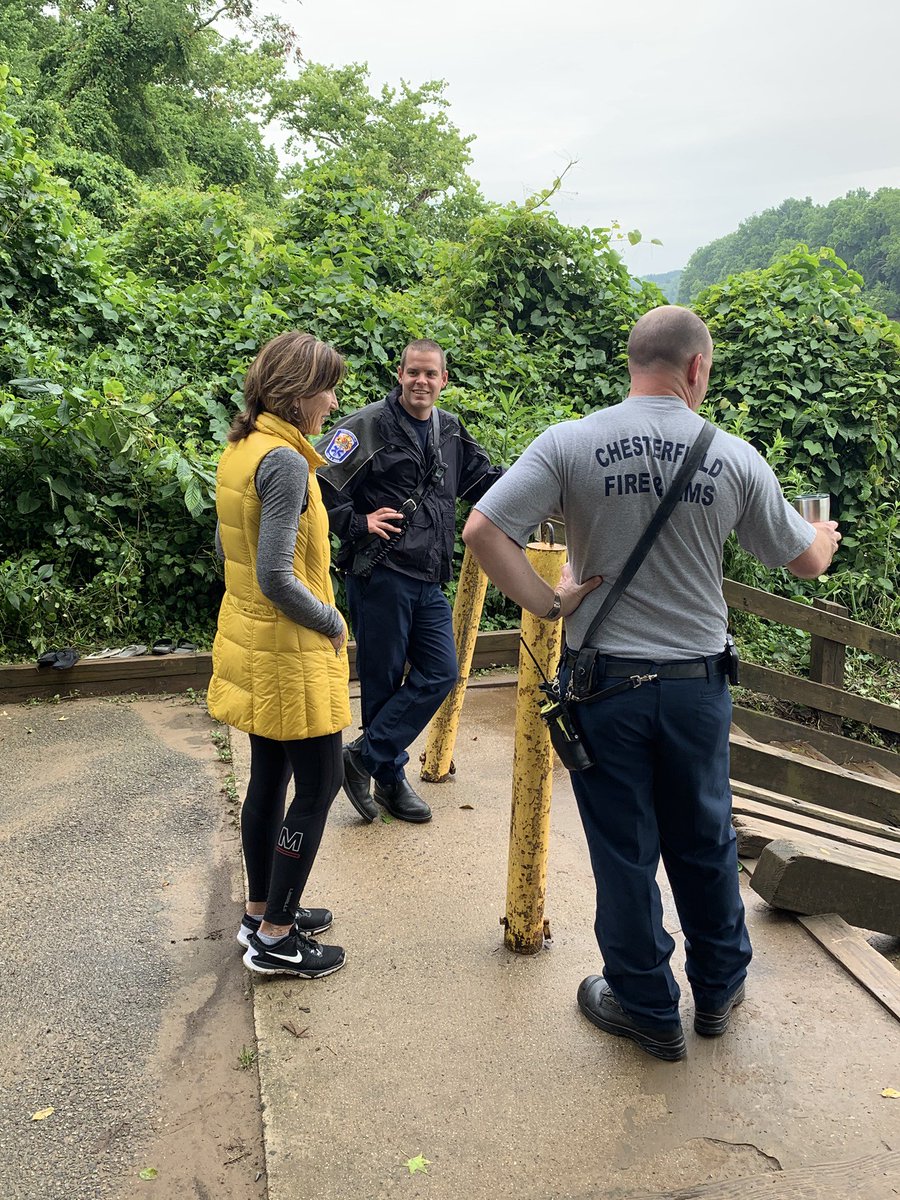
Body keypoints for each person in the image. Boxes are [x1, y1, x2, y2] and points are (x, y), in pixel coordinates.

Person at [463, 306, 841, 1061]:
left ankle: (646, 1006)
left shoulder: (570, 442)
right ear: (696, 368)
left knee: (625, 851)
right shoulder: (733, 455)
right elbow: (802, 562)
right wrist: (823, 539)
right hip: (698, 689)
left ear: (633, 363)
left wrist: (546, 602)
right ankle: (721, 986)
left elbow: (482, 531)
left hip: (605, 689)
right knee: (704, 838)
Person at [207, 331, 352, 979]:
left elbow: (228, 555)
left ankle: (262, 907)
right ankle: (277, 936)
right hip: (292, 648)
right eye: (327, 388)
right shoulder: (287, 462)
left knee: (269, 778)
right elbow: (274, 574)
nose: (332, 401)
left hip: (257, 640)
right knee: (320, 783)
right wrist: (330, 617)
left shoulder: (243, 450)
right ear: (298, 394)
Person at [317, 339, 504, 824]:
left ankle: (362, 757)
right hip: (380, 572)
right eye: (413, 373)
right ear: (399, 374)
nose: (421, 381)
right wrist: (356, 523)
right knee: (382, 680)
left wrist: (548, 484)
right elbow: (315, 481)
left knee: (442, 670)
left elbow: (486, 483)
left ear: (444, 381)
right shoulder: (365, 427)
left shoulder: (450, 431)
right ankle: (391, 782)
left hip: (429, 576)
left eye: (431, 374)